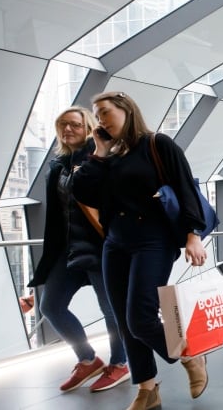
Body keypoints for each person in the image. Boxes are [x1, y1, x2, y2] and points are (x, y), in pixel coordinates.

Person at [72, 92, 209, 410]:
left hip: (153, 240)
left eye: (105, 112)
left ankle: (190, 354)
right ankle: (147, 389)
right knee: (124, 321)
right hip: (115, 244)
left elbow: (186, 187)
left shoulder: (157, 144)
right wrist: (99, 153)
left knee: (140, 317)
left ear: (126, 110)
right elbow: (81, 191)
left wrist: (193, 235)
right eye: (97, 114)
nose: (101, 119)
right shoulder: (108, 156)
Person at [27, 107, 129, 393]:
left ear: (88, 128)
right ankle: (87, 359)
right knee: (50, 305)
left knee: (110, 310)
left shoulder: (102, 156)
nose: (68, 129)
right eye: (62, 125)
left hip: (100, 247)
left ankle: (120, 364)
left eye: (74, 124)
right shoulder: (57, 165)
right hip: (69, 250)